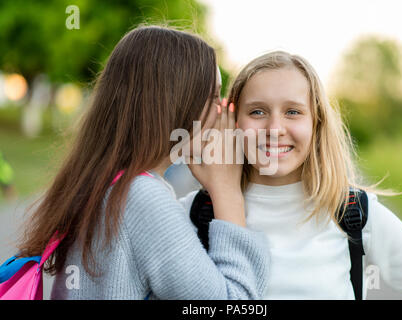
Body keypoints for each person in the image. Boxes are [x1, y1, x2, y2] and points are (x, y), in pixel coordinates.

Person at [15, 26, 270, 300]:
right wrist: (227, 192)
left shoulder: (108, 182)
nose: (221, 110)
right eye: (211, 97)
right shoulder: (142, 197)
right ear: (174, 101)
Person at [181, 51, 402, 299]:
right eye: (257, 111)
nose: (275, 128)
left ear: (316, 123)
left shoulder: (352, 213)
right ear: (233, 121)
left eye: (293, 112)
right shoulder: (194, 212)